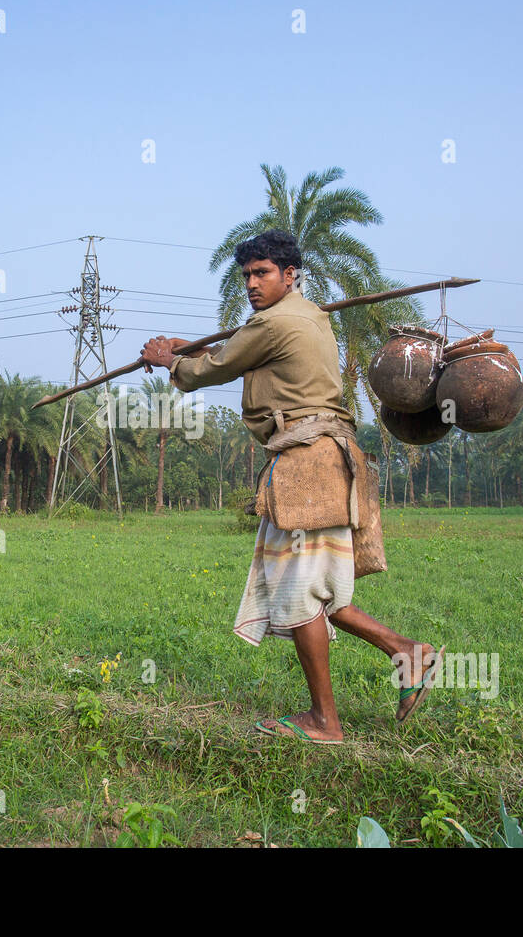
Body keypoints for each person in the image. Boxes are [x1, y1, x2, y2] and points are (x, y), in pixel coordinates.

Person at [139, 229, 442, 744]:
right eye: (247, 275)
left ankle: (326, 721)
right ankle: (406, 652)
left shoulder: (274, 322)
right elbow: (239, 349)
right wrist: (183, 350)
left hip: (306, 466)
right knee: (327, 595)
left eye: (262, 273)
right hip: (330, 461)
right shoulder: (310, 316)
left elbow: (214, 366)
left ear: (290, 275)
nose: (252, 283)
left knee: (300, 593)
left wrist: (167, 359)